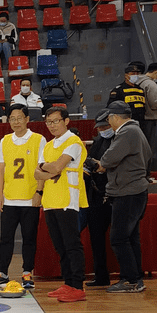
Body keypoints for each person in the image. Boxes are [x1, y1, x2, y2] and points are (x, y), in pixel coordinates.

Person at [96, 101, 153, 293]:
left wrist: (102, 163)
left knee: (119, 238)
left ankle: (130, 280)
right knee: (130, 238)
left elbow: (107, 159)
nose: (108, 124)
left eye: (109, 119)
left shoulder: (127, 132)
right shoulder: (136, 131)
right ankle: (136, 279)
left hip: (127, 192)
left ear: (114, 117)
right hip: (135, 190)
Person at [35, 104, 88, 302]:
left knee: (71, 243)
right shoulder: (48, 145)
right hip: (49, 200)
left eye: (56, 121)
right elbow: (36, 173)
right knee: (60, 245)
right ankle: (68, 283)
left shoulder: (73, 142)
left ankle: (77, 285)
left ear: (66, 121)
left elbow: (57, 167)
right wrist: (47, 169)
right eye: (48, 122)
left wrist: (46, 167)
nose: (52, 125)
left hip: (67, 198)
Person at [0, 103, 46, 290]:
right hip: (9, 199)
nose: (16, 122)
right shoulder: (5, 140)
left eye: (19, 118)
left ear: (27, 119)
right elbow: (0, 170)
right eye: (12, 119)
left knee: (29, 238)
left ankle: (27, 272)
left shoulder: (39, 139)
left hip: (29, 198)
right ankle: (2, 272)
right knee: (5, 238)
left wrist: (39, 192)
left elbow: (42, 168)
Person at [83, 109, 115, 287]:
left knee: (120, 238)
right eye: (99, 127)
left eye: (105, 126)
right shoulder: (97, 142)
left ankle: (131, 275)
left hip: (114, 192)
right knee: (96, 239)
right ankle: (101, 276)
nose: (102, 130)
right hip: (96, 193)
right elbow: (89, 163)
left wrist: (101, 166)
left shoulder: (120, 139)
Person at [138, 61, 157, 176]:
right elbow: (154, 104)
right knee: (148, 148)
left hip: (140, 118)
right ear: (156, 72)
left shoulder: (138, 81)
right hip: (149, 119)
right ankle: (146, 174)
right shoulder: (150, 84)